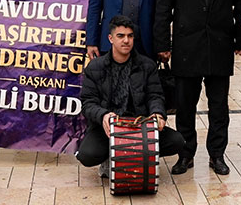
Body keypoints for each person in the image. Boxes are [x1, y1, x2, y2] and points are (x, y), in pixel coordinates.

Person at [153, 0, 241, 176]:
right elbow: (163, 7)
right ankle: (186, 154)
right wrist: (162, 44)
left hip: (220, 44)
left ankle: (217, 154)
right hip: (186, 46)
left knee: (219, 106)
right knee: (185, 106)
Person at [75, 16, 185, 172]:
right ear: (110, 38)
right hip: (108, 129)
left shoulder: (147, 66)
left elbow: (155, 96)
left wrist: (158, 114)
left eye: (130, 36)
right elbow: (88, 103)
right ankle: (112, 156)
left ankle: (134, 155)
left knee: (177, 141)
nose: (126, 41)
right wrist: (103, 115)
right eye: (120, 36)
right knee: (87, 155)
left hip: (140, 127)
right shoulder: (95, 67)